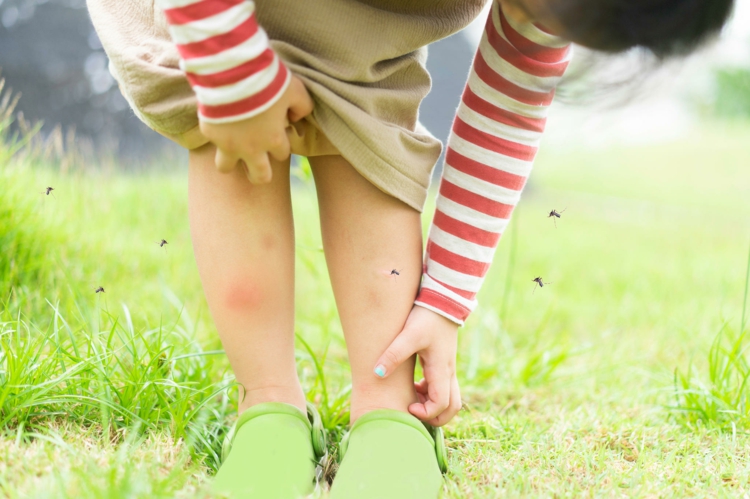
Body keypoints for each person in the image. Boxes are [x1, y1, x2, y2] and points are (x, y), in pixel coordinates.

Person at [86, 0, 733, 496]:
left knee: (370, 133)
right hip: (206, 16)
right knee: (232, 142)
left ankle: (386, 413)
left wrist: (446, 295)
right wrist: (229, 71)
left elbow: (506, 109)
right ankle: (268, 400)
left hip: (371, 23)